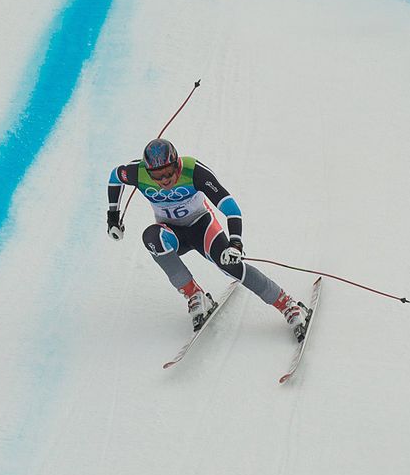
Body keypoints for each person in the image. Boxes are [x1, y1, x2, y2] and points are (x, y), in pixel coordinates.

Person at [106, 138, 307, 340]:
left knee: (229, 265)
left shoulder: (193, 171)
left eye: (168, 172)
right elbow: (115, 177)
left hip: (201, 227)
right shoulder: (137, 172)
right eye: (157, 175)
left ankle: (287, 304)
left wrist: (235, 243)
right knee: (151, 237)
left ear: (176, 164)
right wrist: (113, 217)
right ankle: (195, 294)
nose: (165, 180)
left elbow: (231, 207)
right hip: (172, 234)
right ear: (148, 171)